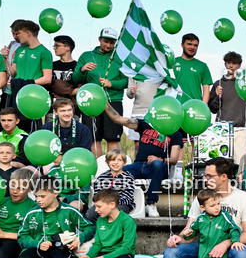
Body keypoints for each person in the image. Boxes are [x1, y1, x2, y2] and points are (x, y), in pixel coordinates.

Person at [166, 158, 246, 258]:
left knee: (241, 254)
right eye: (205, 176)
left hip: (232, 247)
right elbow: (189, 230)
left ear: (223, 177)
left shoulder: (244, 199)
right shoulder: (202, 199)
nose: (205, 179)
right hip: (205, 247)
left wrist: (225, 244)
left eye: (209, 176)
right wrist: (179, 238)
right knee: (171, 253)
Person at [103, 102, 182, 217]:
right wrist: (105, 103)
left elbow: (174, 159)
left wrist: (159, 159)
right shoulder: (144, 125)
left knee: (156, 164)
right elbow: (117, 118)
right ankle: (118, 203)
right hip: (139, 165)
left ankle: (151, 203)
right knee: (117, 172)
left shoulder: (175, 133)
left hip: (158, 167)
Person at [73, 28, 126, 157]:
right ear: (99, 39)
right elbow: (75, 79)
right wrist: (83, 69)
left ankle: (114, 170)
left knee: (113, 138)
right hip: (91, 102)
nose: (108, 45)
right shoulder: (86, 56)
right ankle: (97, 171)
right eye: (105, 41)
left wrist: (111, 83)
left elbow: (126, 81)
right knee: (93, 137)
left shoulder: (120, 58)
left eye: (112, 43)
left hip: (113, 100)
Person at [17, 178, 95, 258]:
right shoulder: (32, 213)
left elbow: (90, 228)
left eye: (42, 196)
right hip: (38, 246)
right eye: (36, 196)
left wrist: (79, 238)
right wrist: (38, 244)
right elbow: (22, 236)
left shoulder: (69, 211)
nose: (38, 200)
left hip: (62, 247)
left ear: (55, 193)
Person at [175, 189, 245, 258]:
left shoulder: (224, 216)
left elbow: (234, 229)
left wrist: (235, 241)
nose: (217, 207)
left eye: (218, 204)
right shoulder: (200, 218)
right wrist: (187, 234)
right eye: (212, 205)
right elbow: (192, 230)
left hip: (219, 257)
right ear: (202, 207)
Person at [208, 51, 246, 164]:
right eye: (229, 63)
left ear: (239, 65)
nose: (231, 66)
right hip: (221, 129)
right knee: (221, 164)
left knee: (240, 163)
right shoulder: (218, 83)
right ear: (225, 64)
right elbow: (212, 109)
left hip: (241, 128)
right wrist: (216, 96)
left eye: (234, 63)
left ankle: (239, 182)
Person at [5, 19, 53, 132]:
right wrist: (5, 58)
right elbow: (13, 73)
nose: (16, 37)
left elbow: (47, 78)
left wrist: (25, 84)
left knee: (31, 129)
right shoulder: (20, 50)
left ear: (28, 33)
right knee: (12, 128)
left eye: (18, 33)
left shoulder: (44, 52)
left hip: (32, 96)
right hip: (15, 93)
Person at [78, 189, 137, 258]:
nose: (96, 210)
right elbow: (98, 244)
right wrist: (89, 256)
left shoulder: (127, 221)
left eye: (99, 206)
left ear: (112, 205)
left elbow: (126, 248)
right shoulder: (99, 220)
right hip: (104, 252)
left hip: (123, 253)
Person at [87, 149, 136, 221]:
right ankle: (99, 229)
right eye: (113, 160)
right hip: (103, 204)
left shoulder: (129, 178)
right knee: (90, 214)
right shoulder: (101, 177)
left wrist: (112, 204)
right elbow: (97, 194)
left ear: (124, 163)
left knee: (114, 212)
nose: (116, 163)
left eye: (119, 160)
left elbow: (127, 197)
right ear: (107, 162)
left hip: (121, 204)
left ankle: (114, 231)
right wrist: (104, 204)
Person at [49, 34, 78, 105]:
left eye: (57, 46)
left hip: (71, 106)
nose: (54, 48)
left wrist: (63, 94)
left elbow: (80, 89)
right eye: (54, 46)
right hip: (54, 106)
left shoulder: (77, 66)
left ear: (67, 48)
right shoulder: (52, 65)